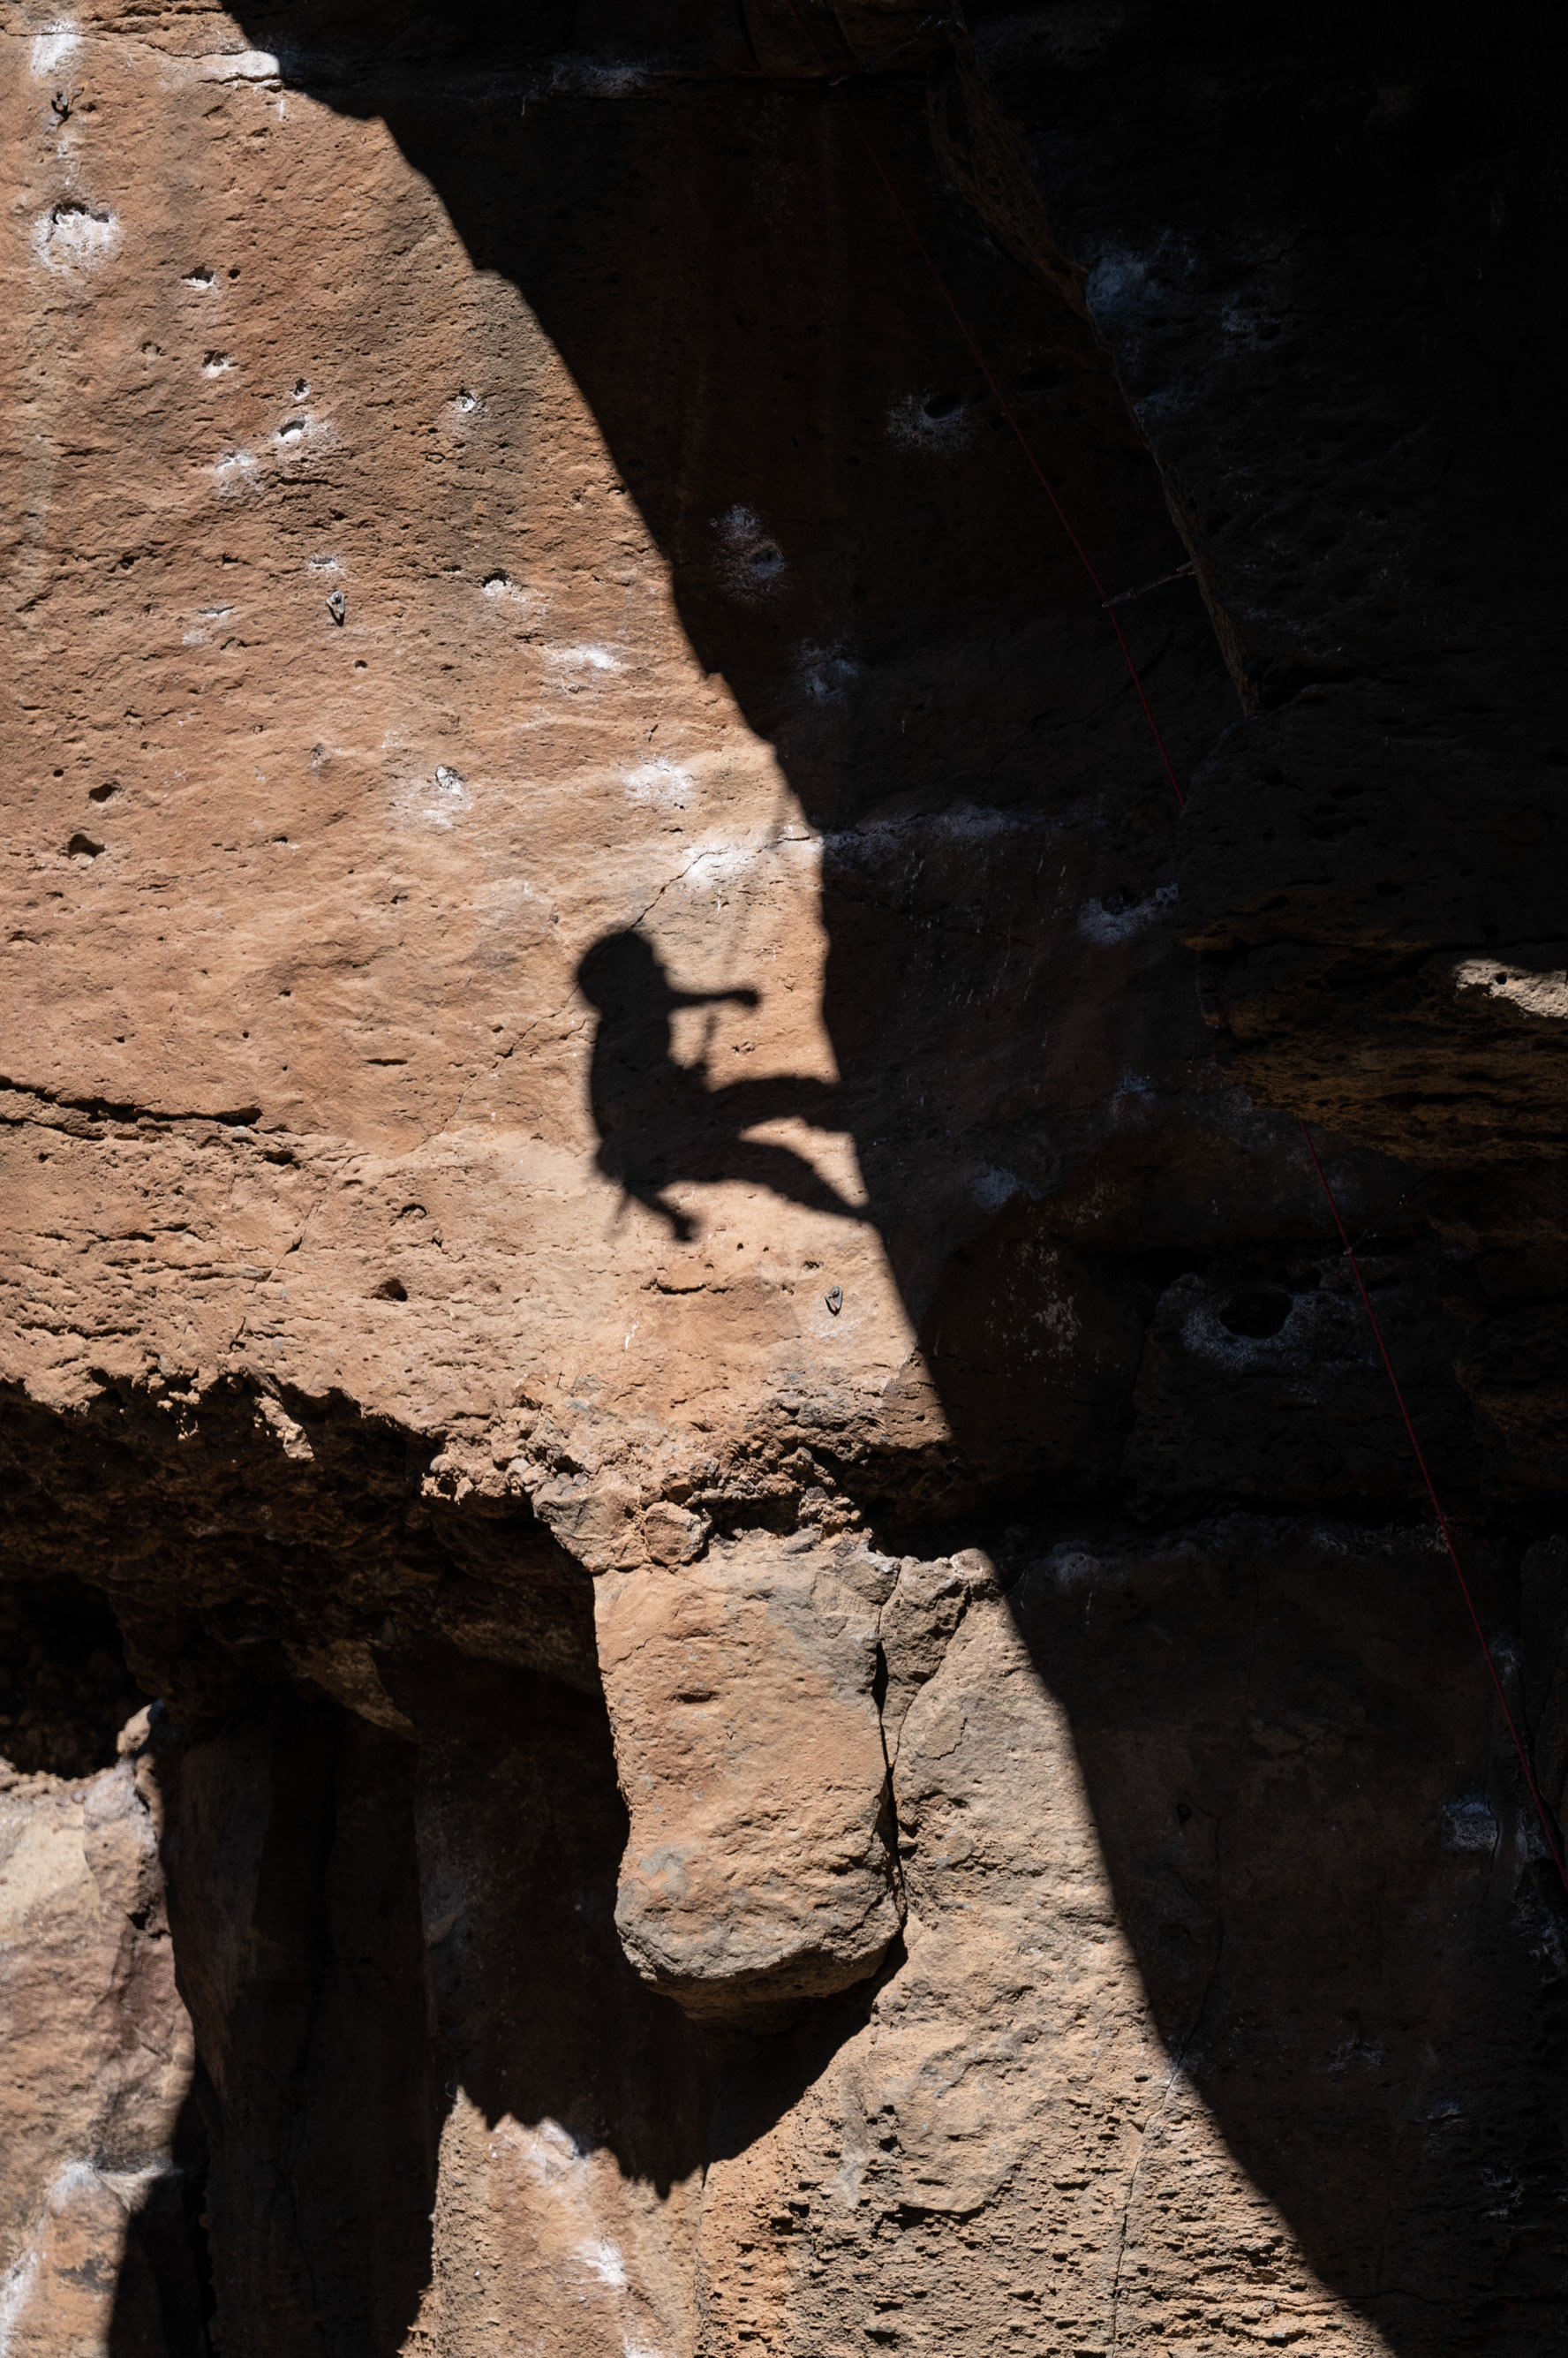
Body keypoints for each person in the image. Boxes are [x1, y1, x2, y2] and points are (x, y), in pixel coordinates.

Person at [576, 929, 859, 1239]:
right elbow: (627, 1164)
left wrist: (723, 998)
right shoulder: (614, 1045)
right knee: (778, 1153)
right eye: (651, 963)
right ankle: (854, 1209)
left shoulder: (631, 1014)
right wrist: (672, 1217)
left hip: (682, 1112)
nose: (658, 967)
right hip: (675, 1132)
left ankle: (847, 1121)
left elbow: (666, 1001)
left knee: (782, 1095)